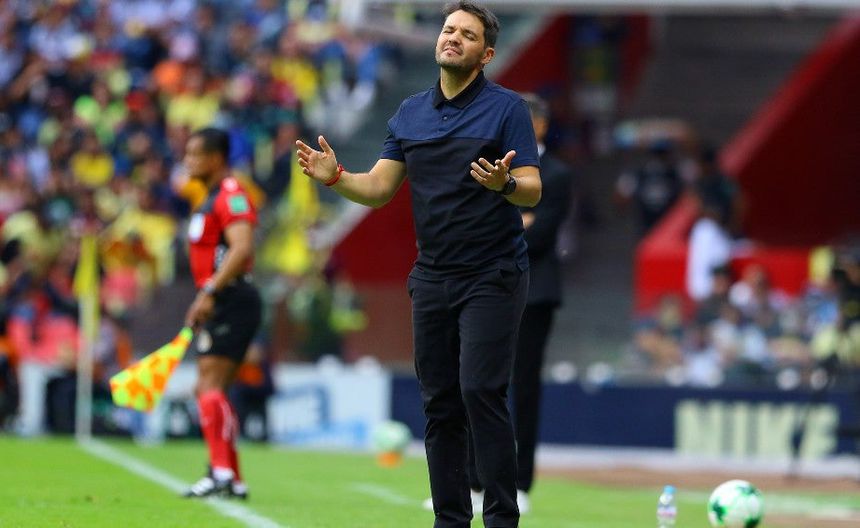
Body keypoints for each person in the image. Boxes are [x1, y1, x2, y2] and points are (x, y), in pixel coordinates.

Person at [296, 2, 541, 526]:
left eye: (467, 34)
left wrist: (506, 184)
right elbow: (379, 187)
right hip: (432, 277)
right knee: (440, 404)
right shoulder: (410, 112)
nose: (452, 37)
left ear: (486, 54)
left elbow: (532, 190)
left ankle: (502, 518)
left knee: (480, 391)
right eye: (448, 29)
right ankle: (449, 521)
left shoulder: (507, 110)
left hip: (493, 273)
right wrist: (335, 176)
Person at [181, 128, 263, 500]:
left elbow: (242, 247)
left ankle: (222, 473)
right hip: (222, 298)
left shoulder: (231, 194)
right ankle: (230, 475)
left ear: (215, 159)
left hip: (231, 297)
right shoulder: (209, 198)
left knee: (209, 387)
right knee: (211, 388)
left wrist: (210, 291)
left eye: (194, 154)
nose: (188, 162)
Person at [507, 93, 573, 513]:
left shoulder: (558, 173)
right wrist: (518, 221)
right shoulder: (499, 166)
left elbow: (541, 234)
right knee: (478, 381)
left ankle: (521, 485)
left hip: (536, 292)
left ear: (541, 125)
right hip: (493, 287)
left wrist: (506, 225)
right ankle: (474, 482)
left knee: (524, 386)